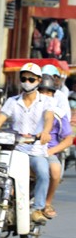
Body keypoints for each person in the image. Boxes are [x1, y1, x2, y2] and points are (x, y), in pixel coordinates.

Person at [0, 62, 54, 224]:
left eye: (31, 79)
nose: (27, 82)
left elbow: (48, 118)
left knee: (43, 172)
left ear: (39, 80)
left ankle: (38, 208)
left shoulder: (46, 102)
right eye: (24, 78)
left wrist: (45, 132)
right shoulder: (12, 101)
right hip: (14, 149)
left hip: (35, 150)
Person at [38, 76, 72, 219]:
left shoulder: (59, 113)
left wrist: (51, 150)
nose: (45, 95)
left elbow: (68, 139)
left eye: (49, 92)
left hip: (47, 151)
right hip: (24, 149)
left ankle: (47, 202)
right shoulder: (26, 108)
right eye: (41, 92)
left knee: (55, 171)